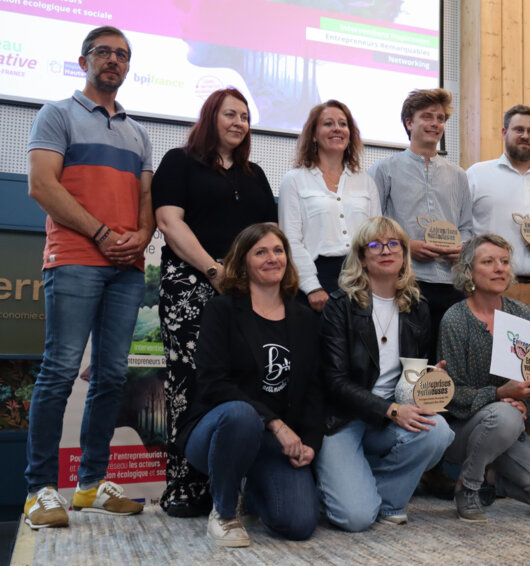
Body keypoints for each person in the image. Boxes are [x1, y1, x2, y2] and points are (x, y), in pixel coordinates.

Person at [24, 26, 151, 530]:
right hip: (76, 257)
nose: (113, 60)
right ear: (83, 62)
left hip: (127, 268)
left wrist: (142, 236)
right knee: (59, 371)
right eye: (103, 52)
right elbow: (41, 185)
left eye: (122, 54)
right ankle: (39, 490)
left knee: (112, 376)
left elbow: (146, 199)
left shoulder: (138, 132)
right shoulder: (57, 114)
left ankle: (91, 485)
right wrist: (101, 233)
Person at [152, 87, 277, 517]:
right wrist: (213, 271)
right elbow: (169, 222)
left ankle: (237, 483)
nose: (239, 123)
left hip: (245, 291)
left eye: (245, 117)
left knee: (243, 379)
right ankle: (186, 486)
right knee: (189, 382)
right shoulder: (179, 161)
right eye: (230, 114)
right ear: (211, 117)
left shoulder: (255, 175)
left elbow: (268, 235)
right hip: (191, 286)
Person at [176, 224, 323, 546]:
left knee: (298, 523)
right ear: (243, 262)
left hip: (272, 443)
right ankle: (224, 513)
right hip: (219, 430)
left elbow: (314, 388)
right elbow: (213, 383)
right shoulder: (222, 310)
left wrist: (311, 441)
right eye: (260, 252)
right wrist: (275, 423)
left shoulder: (304, 319)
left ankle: (251, 489)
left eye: (278, 250)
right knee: (242, 414)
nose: (272, 258)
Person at [316, 217, 454, 532]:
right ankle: (345, 486)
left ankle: (386, 500)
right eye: (375, 245)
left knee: (438, 431)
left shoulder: (417, 306)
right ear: (362, 258)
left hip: (391, 415)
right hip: (342, 420)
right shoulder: (340, 306)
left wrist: (427, 380)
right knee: (355, 518)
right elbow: (334, 382)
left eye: (394, 244)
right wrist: (390, 410)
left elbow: (412, 371)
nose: (386, 250)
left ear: (404, 254)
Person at [438, 234, 530, 523]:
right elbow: (450, 396)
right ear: (469, 272)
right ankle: (469, 486)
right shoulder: (454, 319)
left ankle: (492, 479)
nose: (500, 268)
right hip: (463, 432)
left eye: (504, 261)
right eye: (488, 262)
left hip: (510, 428)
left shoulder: (522, 315)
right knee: (504, 415)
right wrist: (500, 395)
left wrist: (526, 405)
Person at [369, 88, 473, 362]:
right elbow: (372, 227)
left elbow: (467, 227)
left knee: (446, 360)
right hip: (404, 281)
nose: (435, 124)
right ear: (409, 123)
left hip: (449, 283)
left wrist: (461, 247)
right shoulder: (384, 170)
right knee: (408, 358)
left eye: (440, 118)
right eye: (427, 117)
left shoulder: (459, 176)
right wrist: (405, 246)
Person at [279, 99, 380, 313]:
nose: (337, 128)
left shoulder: (366, 182)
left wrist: (374, 280)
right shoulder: (294, 180)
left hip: (361, 280)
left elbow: (376, 237)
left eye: (343, 124)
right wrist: (311, 286)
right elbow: (291, 240)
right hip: (316, 281)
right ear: (314, 135)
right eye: (328, 123)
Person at [467, 104, 530, 305]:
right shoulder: (477, 175)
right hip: (490, 291)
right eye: (518, 130)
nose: (525, 136)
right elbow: (463, 230)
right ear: (504, 133)